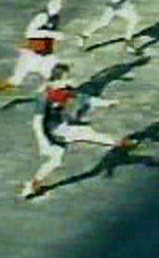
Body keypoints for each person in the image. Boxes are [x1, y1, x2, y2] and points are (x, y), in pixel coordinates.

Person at [21, 63, 138, 199]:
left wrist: (107, 103)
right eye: (65, 77)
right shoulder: (44, 96)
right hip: (53, 130)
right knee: (85, 133)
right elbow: (37, 122)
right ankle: (118, 143)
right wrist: (43, 141)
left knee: (56, 159)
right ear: (57, 78)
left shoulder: (62, 89)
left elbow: (83, 98)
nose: (69, 80)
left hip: (60, 126)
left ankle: (34, 184)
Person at [0, 0, 64, 106]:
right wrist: (51, 34)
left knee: (57, 73)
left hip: (45, 54)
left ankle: (52, 98)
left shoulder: (55, 18)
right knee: (15, 81)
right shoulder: (42, 17)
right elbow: (29, 33)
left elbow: (52, 36)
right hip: (31, 54)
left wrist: (54, 42)